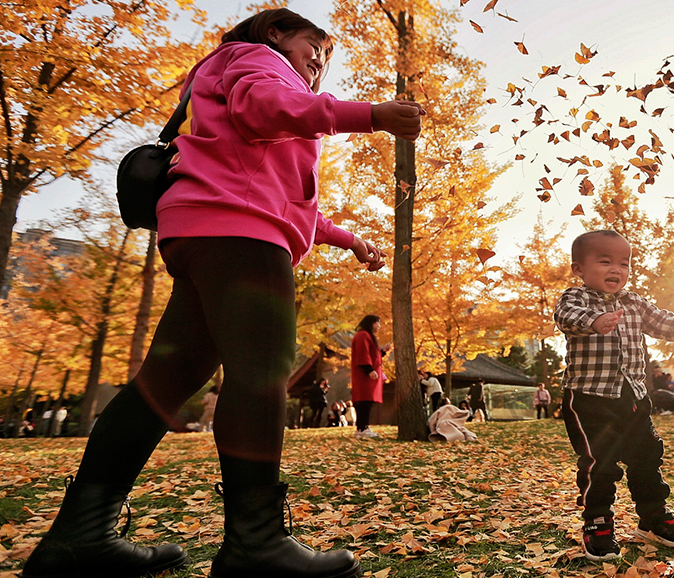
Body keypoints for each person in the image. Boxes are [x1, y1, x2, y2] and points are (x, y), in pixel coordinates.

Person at [22, 9, 424, 578]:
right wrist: (372, 116)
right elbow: (265, 110)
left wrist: (350, 239)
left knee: (162, 386)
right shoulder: (260, 62)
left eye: (326, 57)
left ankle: (80, 535)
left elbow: (281, 193)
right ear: (276, 32)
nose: (318, 61)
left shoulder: (227, 75)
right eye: (315, 44)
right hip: (239, 231)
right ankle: (254, 545)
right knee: (261, 373)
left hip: (207, 230)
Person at [553, 229, 674, 562]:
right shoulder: (574, 299)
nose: (616, 269)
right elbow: (566, 318)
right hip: (589, 399)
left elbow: (664, 322)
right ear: (578, 269)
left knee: (647, 458)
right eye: (605, 261)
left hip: (633, 398)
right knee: (600, 463)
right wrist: (595, 321)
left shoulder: (634, 302)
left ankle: (653, 518)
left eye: (624, 263)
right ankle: (598, 523)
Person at [352, 315, 389, 439]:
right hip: (365, 374)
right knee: (364, 401)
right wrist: (369, 370)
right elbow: (363, 354)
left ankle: (362, 428)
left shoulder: (366, 336)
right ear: (371, 323)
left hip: (367, 373)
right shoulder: (363, 335)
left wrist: (382, 351)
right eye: (377, 323)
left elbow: (373, 355)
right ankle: (363, 428)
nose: (379, 326)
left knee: (366, 401)